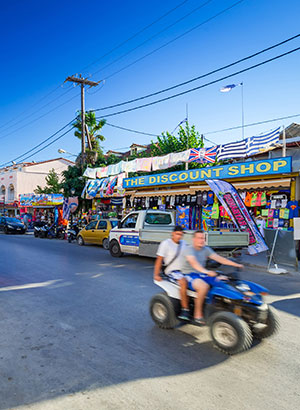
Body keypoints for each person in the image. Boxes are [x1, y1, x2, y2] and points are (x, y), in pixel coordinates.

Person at [180, 230, 244, 325]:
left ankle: (227, 309)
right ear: (193, 239)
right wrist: (207, 272)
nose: (202, 240)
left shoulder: (206, 249)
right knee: (203, 287)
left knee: (224, 282)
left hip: (202, 274)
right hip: (189, 275)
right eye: (199, 238)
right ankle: (197, 315)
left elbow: (220, 259)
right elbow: (194, 264)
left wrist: (236, 265)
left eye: (203, 238)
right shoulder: (189, 249)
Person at [154, 226, 190, 320]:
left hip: (184, 270)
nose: (179, 236)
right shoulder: (166, 244)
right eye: (177, 234)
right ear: (173, 234)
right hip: (172, 271)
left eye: (181, 235)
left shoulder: (184, 243)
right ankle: (185, 310)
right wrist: (156, 274)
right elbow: (159, 259)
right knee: (183, 282)